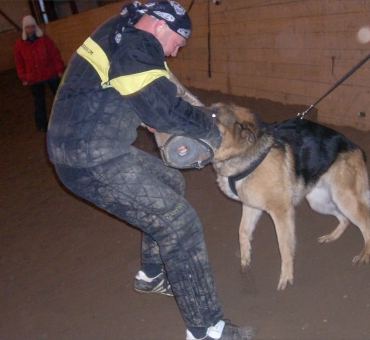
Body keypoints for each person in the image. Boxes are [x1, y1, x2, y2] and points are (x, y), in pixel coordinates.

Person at [46, 2, 255, 340]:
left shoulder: (122, 30)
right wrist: (216, 132)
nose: (174, 52)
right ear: (160, 27)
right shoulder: (137, 46)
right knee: (181, 224)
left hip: (87, 148)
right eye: (177, 43)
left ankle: (151, 275)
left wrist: (186, 114)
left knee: (170, 182)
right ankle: (207, 331)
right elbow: (164, 109)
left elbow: (150, 92)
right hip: (91, 160)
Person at [14, 15, 65, 132]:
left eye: (32, 27)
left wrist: (59, 69)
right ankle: (42, 124)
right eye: (28, 28)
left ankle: (63, 118)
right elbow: (19, 62)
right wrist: (23, 77)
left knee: (59, 98)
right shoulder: (19, 45)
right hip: (34, 78)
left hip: (50, 74)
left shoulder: (45, 40)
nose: (30, 30)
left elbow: (54, 54)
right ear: (24, 29)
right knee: (39, 102)